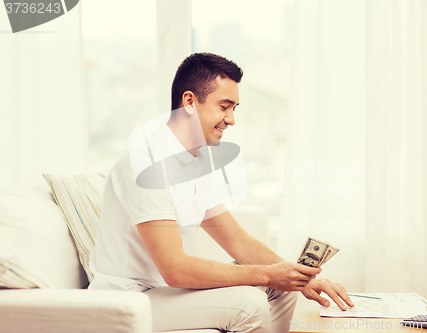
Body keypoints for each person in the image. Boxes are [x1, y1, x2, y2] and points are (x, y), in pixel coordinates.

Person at [88, 52, 354, 333]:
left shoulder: (193, 160)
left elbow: (236, 239)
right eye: (224, 106)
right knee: (249, 301)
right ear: (189, 102)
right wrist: (266, 274)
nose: (231, 119)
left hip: (162, 293)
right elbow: (175, 269)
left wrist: (298, 277)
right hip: (130, 301)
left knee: (282, 289)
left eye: (234, 108)